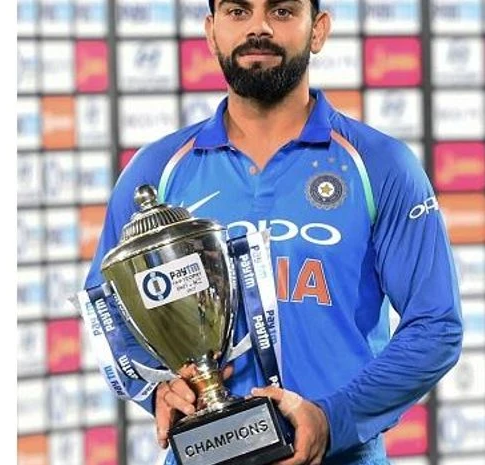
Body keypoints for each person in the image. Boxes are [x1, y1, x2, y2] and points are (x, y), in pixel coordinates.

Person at [84, 0, 463, 463]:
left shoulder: (380, 165)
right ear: (211, 31)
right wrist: (157, 389)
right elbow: (109, 309)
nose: (258, 28)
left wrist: (332, 419)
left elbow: (435, 325)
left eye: (282, 11)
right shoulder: (158, 171)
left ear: (318, 31)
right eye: (238, 11)